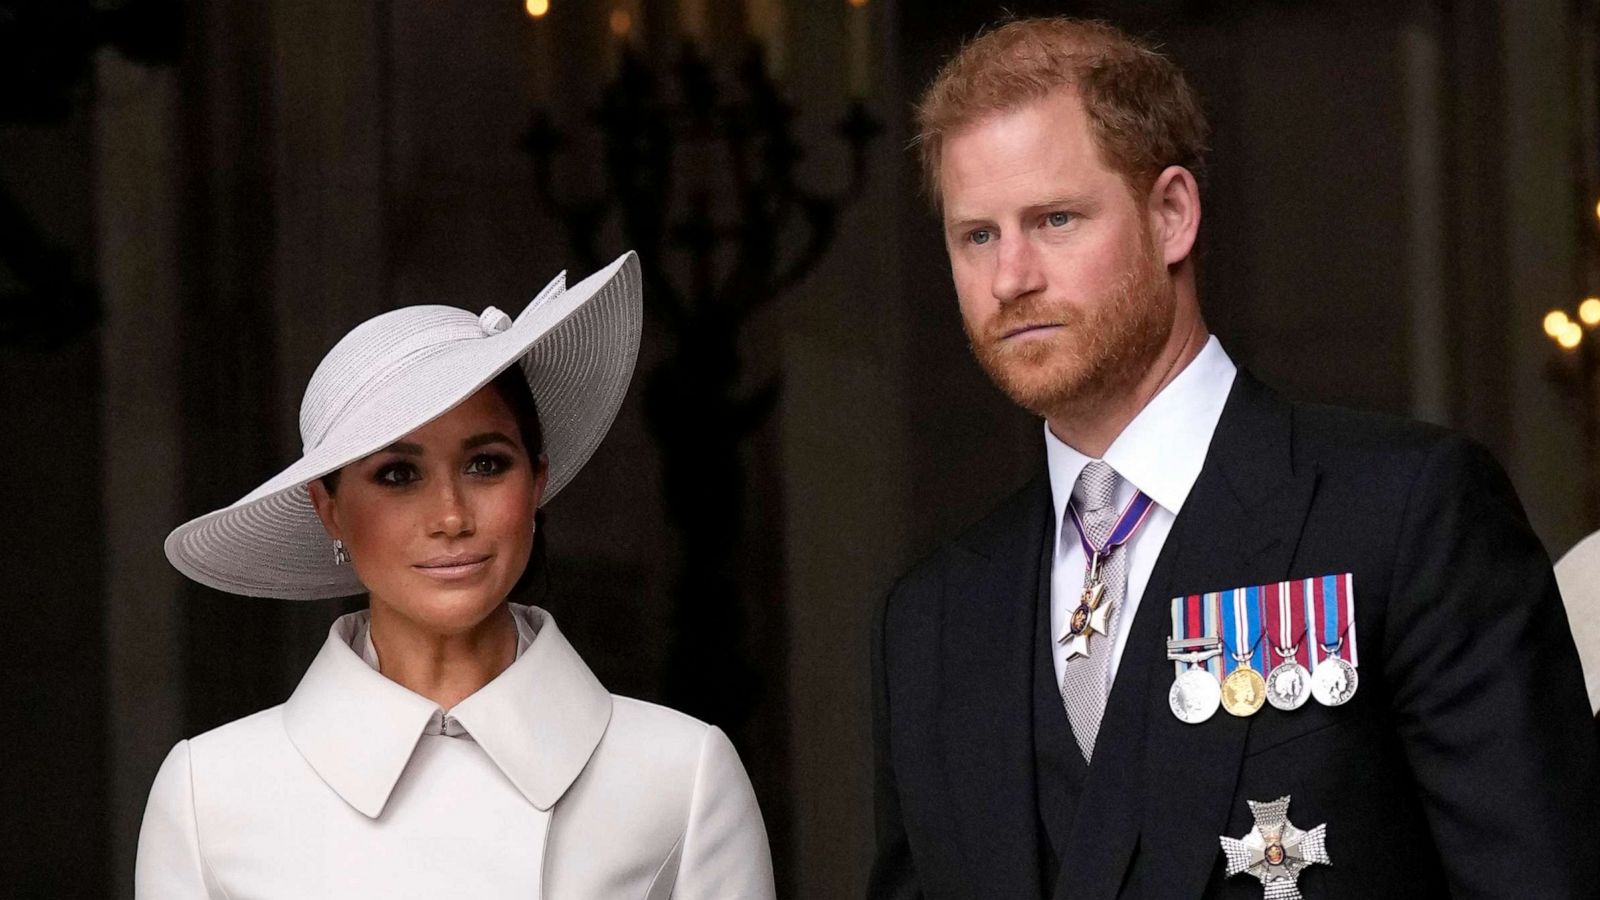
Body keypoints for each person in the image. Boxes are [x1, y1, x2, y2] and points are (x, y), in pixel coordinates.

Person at [869, 17, 1599, 899]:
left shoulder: (1405, 515)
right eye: (976, 235)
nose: (1010, 276)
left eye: (1055, 219)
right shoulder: (932, 622)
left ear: (1171, 214)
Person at [137, 252, 776, 898]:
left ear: (538, 481)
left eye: (487, 465)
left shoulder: (681, 777)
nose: (449, 516)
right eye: (397, 475)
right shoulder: (209, 797)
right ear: (329, 510)